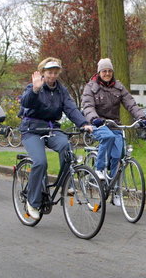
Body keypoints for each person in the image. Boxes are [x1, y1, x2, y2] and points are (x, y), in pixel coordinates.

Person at [20, 57, 93, 220]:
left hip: (51, 128)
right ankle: (32, 201)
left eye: (55, 73)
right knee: (40, 162)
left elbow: (71, 108)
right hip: (31, 130)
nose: (52, 76)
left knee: (66, 147)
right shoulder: (34, 87)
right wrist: (35, 90)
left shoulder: (61, 90)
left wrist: (83, 123)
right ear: (43, 73)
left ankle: (66, 183)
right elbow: (26, 102)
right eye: (49, 73)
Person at [81, 58, 146, 190]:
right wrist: (94, 119)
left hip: (114, 125)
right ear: (99, 72)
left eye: (109, 71)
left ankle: (115, 190)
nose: (107, 73)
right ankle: (99, 169)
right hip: (97, 124)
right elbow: (87, 106)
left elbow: (130, 103)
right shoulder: (91, 87)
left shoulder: (119, 87)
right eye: (104, 71)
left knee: (118, 156)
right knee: (108, 137)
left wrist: (141, 117)